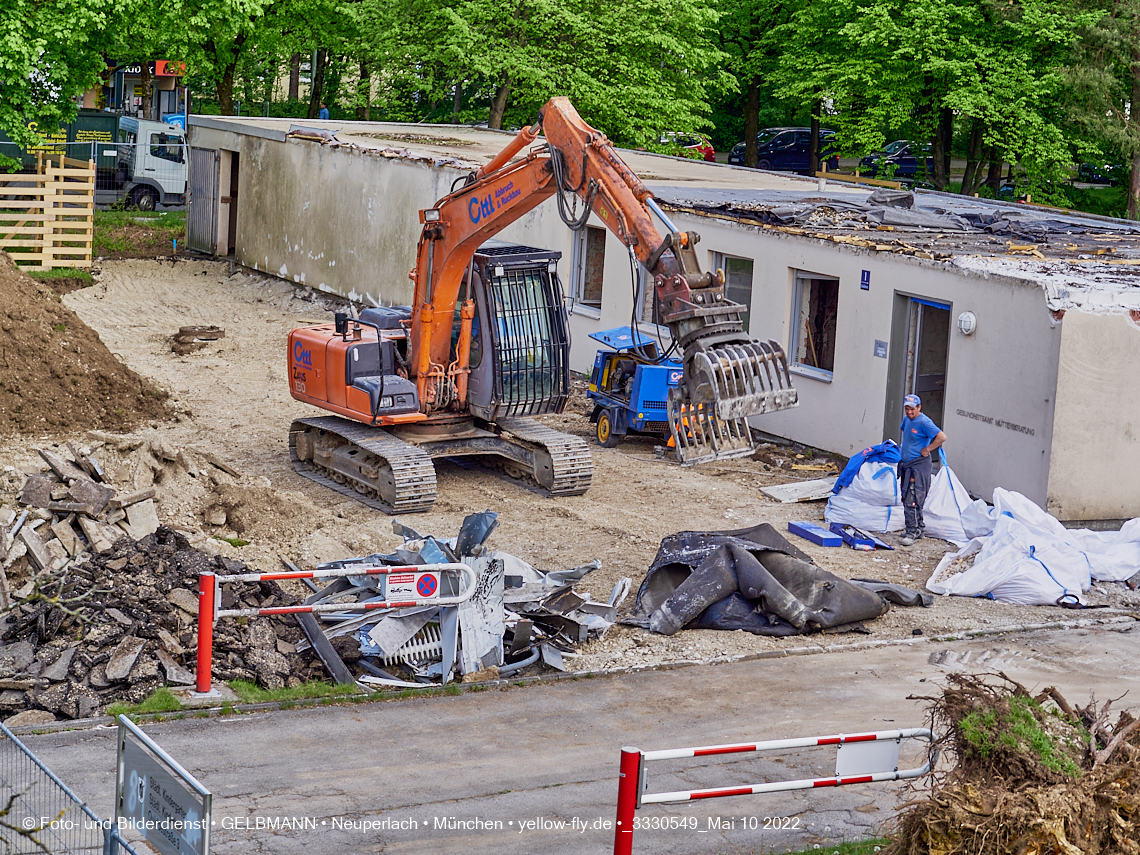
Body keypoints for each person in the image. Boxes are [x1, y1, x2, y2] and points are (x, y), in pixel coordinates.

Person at [897, 394, 946, 546]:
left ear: (919, 408)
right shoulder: (907, 419)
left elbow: (942, 437)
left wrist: (928, 449)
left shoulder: (925, 422)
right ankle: (918, 529)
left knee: (913, 499)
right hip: (907, 464)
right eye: (907, 409)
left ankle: (911, 532)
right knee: (907, 496)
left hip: (918, 466)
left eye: (912, 409)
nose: (909, 412)